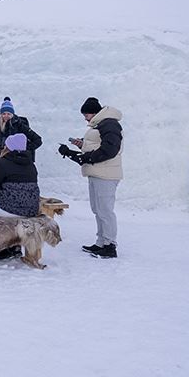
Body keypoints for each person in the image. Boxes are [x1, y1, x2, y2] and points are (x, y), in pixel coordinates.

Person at [58, 97, 123, 258]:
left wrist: (85, 158)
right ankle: (101, 242)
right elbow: (98, 145)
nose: (85, 118)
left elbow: (110, 150)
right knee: (98, 210)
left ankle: (110, 246)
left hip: (106, 175)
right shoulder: (101, 125)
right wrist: (82, 145)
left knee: (105, 210)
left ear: (93, 113)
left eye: (86, 115)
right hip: (97, 173)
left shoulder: (110, 124)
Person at [0, 132, 41, 259]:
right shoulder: (31, 165)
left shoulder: (1, 164)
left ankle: (2, 246)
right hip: (30, 209)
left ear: (8, 148)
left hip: (9, 208)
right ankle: (14, 247)